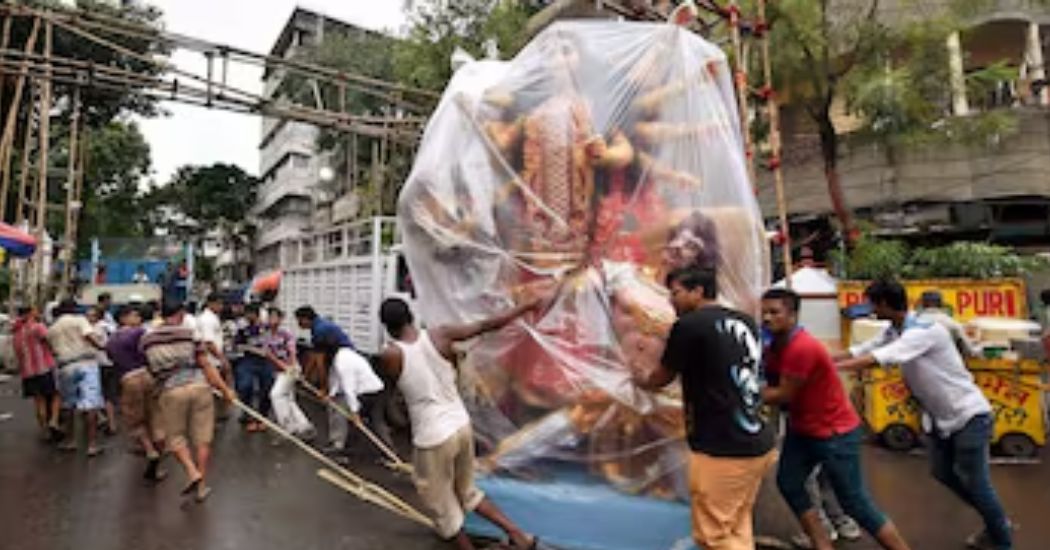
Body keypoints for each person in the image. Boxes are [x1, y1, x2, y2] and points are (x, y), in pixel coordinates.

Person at [836, 279, 1013, 550]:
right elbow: (860, 350)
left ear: (884, 304)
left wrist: (829, 370)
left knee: (975, 481)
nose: (870, 309)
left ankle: (1001, 538)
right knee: (942, 472)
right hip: (941, 419)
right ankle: (996, 518)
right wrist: (820, 358)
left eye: (873, 303)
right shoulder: (893, 330)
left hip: (968, 415)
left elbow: (882, 357)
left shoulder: (924, 331)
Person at [378, 297, 540, 550]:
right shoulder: (441, 335)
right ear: (411, 315)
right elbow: (489, 324)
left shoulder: (390, 354)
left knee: (441, 505)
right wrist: (526, 306)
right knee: (466, 492)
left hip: (432, 435)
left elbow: (393, 396)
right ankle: (519, 535)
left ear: (387, 326)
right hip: (460, 425)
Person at [633, 266, 776, 550]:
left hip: (722, 448)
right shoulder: (745, 320)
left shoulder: (690, 325)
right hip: (757, 440)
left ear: (698, 291)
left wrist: (638, 376)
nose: (671, 301)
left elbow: (662, 377)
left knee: (713, 536)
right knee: (736, 523)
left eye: (676, 293)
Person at [759, 288, 910, 550]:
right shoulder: (774, 346)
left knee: (856, 504)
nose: (767, 318)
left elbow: (783, 393)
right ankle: (822, 543)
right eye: (764, 313)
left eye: (775, 312)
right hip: (804, 428)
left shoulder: (801, 347)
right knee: (789, 482)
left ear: (792, 315)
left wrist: (739, 393)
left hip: (834, 432)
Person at [141, 300, 236, 502]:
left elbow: (149, 368)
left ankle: (192, 471)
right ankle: (201, 487)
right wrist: (225, 390)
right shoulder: (189, 334)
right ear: (181, 314)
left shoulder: (147, 338)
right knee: (202, 439)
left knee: (175, 438)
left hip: (171, 390)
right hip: (199, 387)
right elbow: (206, 365)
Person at [106, 305, 166, 482]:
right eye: (134, 315)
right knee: (154, 415)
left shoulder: (111, 341)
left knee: (135, 421)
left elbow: (112, 360)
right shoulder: (139, 333)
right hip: (146, 375)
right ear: (123, 318)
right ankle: (160, 449)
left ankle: (150, 450)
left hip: (128, 380)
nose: (138, 317)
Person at [48, 299, 106, 456]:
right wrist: (102, 347)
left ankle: (70, 440)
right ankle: (92, 445)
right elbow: (89, 336)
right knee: (91, 405)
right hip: (86, 363)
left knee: (68, 405)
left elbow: (52, 350)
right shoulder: (79, 320)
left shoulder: (52, 328)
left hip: (66, 366)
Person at [327, 345, 390, 457]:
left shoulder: (342, 363)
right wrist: (331, 395)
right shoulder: (346, 354)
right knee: (377, 421)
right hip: (378, 388)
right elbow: (337, 380)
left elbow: (348, 389)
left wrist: (355, 413)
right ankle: (389, 451)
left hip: (367, 392)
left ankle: (344, 447)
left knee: (352, 416)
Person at [264, 307, 314, 439]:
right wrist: (282, 366)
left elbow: (292, 352)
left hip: (291, 368)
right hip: (280, 370)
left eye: (275, 317)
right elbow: (269, 355)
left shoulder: (286, 333)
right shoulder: (266, 334)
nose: (272, 320)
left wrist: (290, 367)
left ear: (281, 319)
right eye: (270, 317)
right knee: (288, 398)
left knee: (276, 395)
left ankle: (287, 426)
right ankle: (304, 426)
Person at [12, 306, 61, 439]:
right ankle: (54, 421)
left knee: (39, 401)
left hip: (27, 372)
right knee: (56, 395)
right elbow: (49, 340)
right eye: (35, 311)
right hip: (43, 367)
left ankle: (44, 430)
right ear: (29, 313)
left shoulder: (16, 331)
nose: (37, 313)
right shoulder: (37, 327)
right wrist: (54, 351)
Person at [233, 304, 274, 432]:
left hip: (265, 361)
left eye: (249, 314)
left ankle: (263, 417)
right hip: (248, 360)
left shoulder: (267, 327)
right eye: (246, 314)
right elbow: (237, 346)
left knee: (267, 389)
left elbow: (273, 343)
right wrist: (252, 349)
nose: (247, 317)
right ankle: (248, 415)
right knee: (245, 386)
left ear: (256, 314)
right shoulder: (242, 328)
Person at [916, 290, 979, 357]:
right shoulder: (951, 323)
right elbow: (969, 350)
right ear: (941, 304)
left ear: (922, 304)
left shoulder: (913, 323)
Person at [87, 306, 118, 435]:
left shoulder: (94, 329)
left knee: (101, 394)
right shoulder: (109, 326)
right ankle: (110, 423)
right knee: (107, 396)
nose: (89, 317)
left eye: (91, 315)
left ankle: (105, 420)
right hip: (108, 363)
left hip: (100, 364)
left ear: (98, 316)